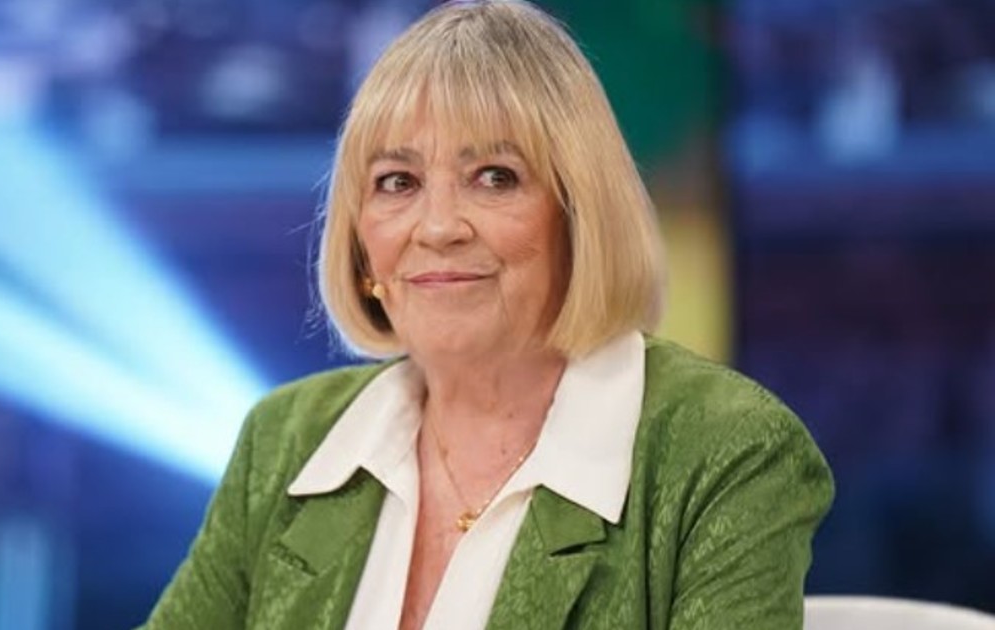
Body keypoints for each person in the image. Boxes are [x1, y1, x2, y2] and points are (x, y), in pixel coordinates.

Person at [141, 1, 833, 628]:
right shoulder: (285, 442)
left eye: (495, 177)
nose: (438, 227)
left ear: (579, 214)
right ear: (359, 239)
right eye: (397, 182)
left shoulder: (727, 453)